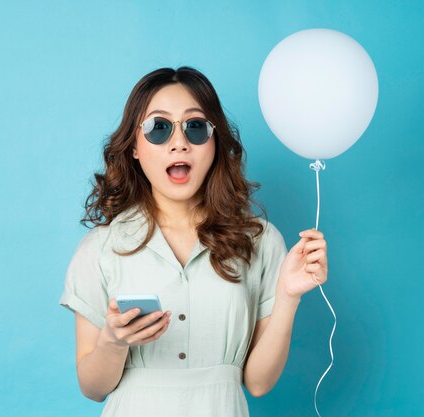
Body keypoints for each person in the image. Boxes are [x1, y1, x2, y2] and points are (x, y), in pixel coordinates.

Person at [58, 66, 328, 416]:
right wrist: (114, 340)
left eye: (196, 126)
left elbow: (258, 383)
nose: (179, 142)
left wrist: (289, 296)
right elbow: (92, 388)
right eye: (159, 128)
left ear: (215, 143)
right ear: (134, 147)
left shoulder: (259, 241)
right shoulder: (100, 248)